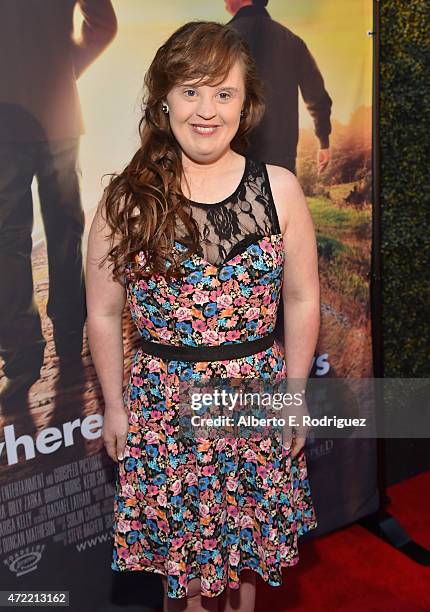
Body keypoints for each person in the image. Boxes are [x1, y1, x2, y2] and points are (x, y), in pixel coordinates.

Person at [86, 21, 320, 612]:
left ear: (247, 104)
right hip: (165, 409)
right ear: (164, 99)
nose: (207, 110)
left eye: (224, 93)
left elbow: (301, 298)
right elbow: (103, 312)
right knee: (183, 579)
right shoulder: (127, 200)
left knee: (245, 564)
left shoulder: (281, 191)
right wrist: (114, 405)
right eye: (191, 90)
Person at [0, 0, 117, 405]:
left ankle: (21, 362)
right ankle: (69, 336)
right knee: (65, 234)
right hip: (59, 112)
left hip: (6, 117)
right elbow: (102, 23)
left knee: (7, 244)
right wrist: (64, 69)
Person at [225, 0, 332, 176]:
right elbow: (317, 97)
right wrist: (324, 140)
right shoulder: (293, 41)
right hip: (280, 163)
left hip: (230, 157)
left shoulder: (219, 40)